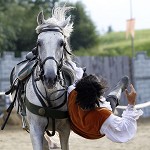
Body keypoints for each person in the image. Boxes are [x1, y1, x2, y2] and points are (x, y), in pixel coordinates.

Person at [67, 63, 143, 143]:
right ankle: (119, 88)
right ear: (99, 95)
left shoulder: (72, 92)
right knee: (112, 100)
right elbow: (125, 130)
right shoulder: (102, 115)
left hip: (76, 124)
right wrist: (131, 103)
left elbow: (75, 85)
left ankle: (117, 88)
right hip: (92, 132)